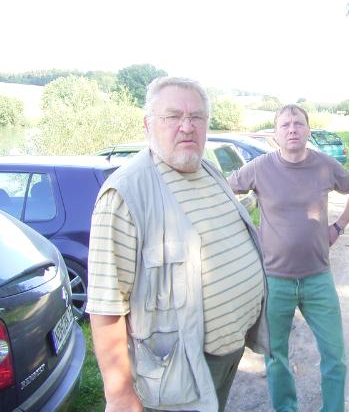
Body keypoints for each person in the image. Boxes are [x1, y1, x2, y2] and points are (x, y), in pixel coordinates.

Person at [87, 76, 269, 412]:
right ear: (148, 124)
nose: (187, 126)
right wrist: (121, 395)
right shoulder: (125, 195)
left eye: (197, 117)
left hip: (226, 355)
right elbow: (106, 305)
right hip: (175, 373)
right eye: (173, 116)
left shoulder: (209, 171)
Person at [228, 104, 349, 412]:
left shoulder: (325, 165)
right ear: (276, 134)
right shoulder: (260, 167)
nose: (292, 129)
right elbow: (224, 190)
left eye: (298, 124)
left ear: (308, 130)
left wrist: (338, 227)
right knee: (275, 356)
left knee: (335, 356)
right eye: (286, 125)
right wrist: (243, 235)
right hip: (275, 280)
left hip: (318, 278)